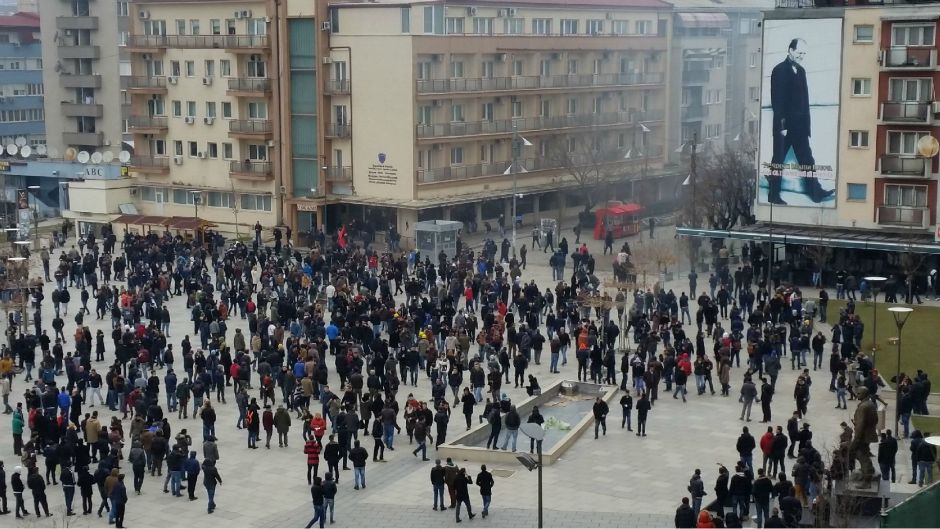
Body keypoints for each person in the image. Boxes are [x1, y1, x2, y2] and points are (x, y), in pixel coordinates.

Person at [767, 37, 833, 204]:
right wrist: (782, 126)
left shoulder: (801, 71)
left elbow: (804, 101)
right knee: (778, 160)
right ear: (790, 50)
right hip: (785, 127)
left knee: (807, 161)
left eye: (804, 53)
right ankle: (773, 195)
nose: (801, 56)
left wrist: (807, 126)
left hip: (800, 127)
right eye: (799, 52)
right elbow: (777, 101)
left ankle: (815, 193)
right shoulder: (779, 70)